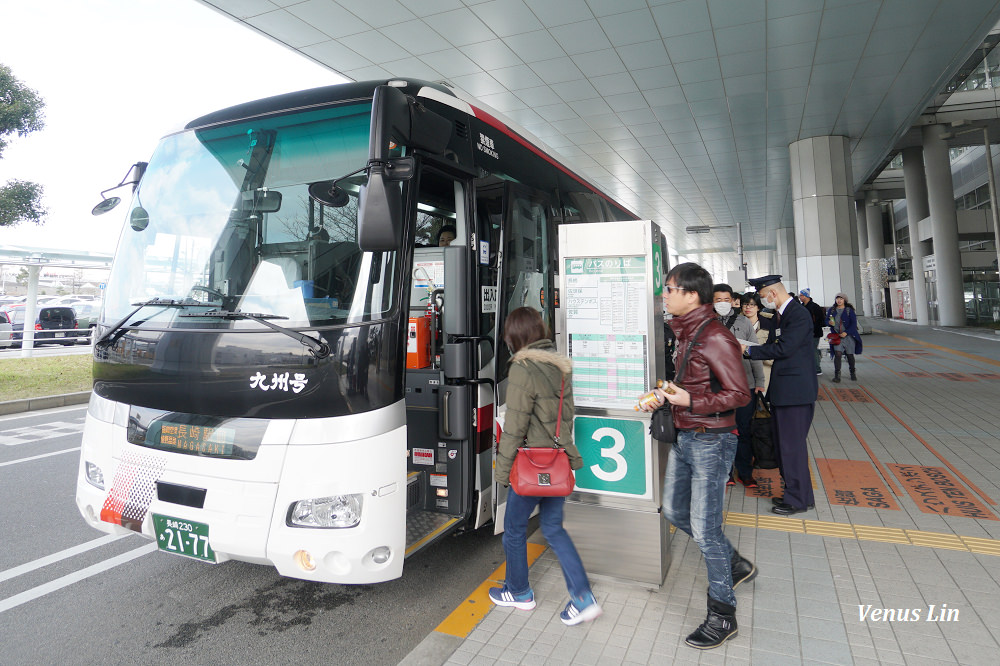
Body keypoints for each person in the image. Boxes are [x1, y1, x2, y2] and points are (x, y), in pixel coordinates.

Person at [639, 263, 754, 650]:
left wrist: (692, 400)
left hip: (712, 440)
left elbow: (741, 394)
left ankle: (723, 615)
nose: (665, 295)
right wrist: (667, 397)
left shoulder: (715, 337)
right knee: (673, 511)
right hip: (687, 436)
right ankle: (734, 563)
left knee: (705, 530)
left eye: (670, 289)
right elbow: (692, 383)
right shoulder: (688, 334)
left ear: (692, 295)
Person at [491, 306, 602, 626]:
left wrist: (502, 470)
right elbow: (563, 418)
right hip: (557, 461)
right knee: (553, 528)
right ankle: (583, 597)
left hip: (531, 464)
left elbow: (514, 426)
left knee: (513, 531)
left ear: (514, 337)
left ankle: (519, 591)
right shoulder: (560, 367)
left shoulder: (523, 368)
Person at [743, 275, 819, 517]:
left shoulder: (796, 314)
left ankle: (797, 499)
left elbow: (784, 348)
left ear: (772, 294)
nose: (762, 300)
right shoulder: (785, 314)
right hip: (787, 392)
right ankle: (800, 495)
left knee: (791, 448)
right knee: (787, 447)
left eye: (763, 296)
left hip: (794, 394)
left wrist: (748, 350)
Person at [713, 284, 764, 488]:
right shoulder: (706, 323)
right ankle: (725, 473)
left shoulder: (743, 322)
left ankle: (745, 472)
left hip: (745, 385)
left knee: (744, 430)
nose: (723, 303)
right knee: (721, 430)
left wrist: (759, 382)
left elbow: (755, 353)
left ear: (733, 301)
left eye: (726, 299)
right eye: (718, 300)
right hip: (718, 387)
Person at [740, 292, 775, 391]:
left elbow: (775, 353)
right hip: (742, 375)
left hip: (764, 373)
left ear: (758, 307)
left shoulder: (768, 326)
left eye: (752, 305)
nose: (748, 307)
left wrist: (755, 353)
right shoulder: (734, 325)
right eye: (745, 304)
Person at [827, 293, 863, 382]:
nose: (839, 300)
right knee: (837, 354)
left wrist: (846, 332)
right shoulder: (832, 310)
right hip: (837, 336)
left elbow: (853, 324)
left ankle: (852, 372)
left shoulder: (849, 310)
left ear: (844, 300)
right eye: (837, 298)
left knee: (850, 355)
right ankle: (837, 375)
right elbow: (826, 320)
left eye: (841, 299)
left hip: (849, 337)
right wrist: (829, 322)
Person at [798, 288, 826, 376]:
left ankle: (817, 369)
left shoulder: (815, 307)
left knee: (813, 350)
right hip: (804, 333)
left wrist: (812, 330)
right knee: (808, 350)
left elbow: (820, 321)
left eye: (801, 295)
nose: (800, 297)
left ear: (806, 296)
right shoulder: (802, 306)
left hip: (814, 333)